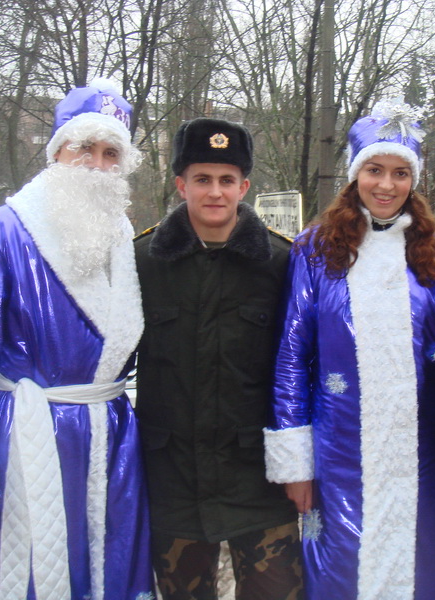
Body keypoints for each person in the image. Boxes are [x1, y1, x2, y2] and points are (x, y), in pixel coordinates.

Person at [0, 79, 155, 600]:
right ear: (55, 153)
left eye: (111, 153)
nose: (97, 164)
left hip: (111, 433)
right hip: (30, 435)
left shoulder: (122, 236)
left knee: (110, 570)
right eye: (84, 148)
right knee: (29, 572)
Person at [263, 101, 435, 599]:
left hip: (422, 455)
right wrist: (295, 461)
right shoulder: (315, 249)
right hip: (340, 453)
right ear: (355, 175)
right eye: (375, 170)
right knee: (341, 571)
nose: (386, 185)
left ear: (413, 180)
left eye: (399, 173)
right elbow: (292, 355)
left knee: (416, 568)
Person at [134, 117, 302, 600]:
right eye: (202, 179)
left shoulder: (281, 262)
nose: (214, 192)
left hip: (259, 477)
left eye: (227, 180)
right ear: (180, 184)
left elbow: (300, 365)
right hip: (173, 477)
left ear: (244, 187)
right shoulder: (143, 261)